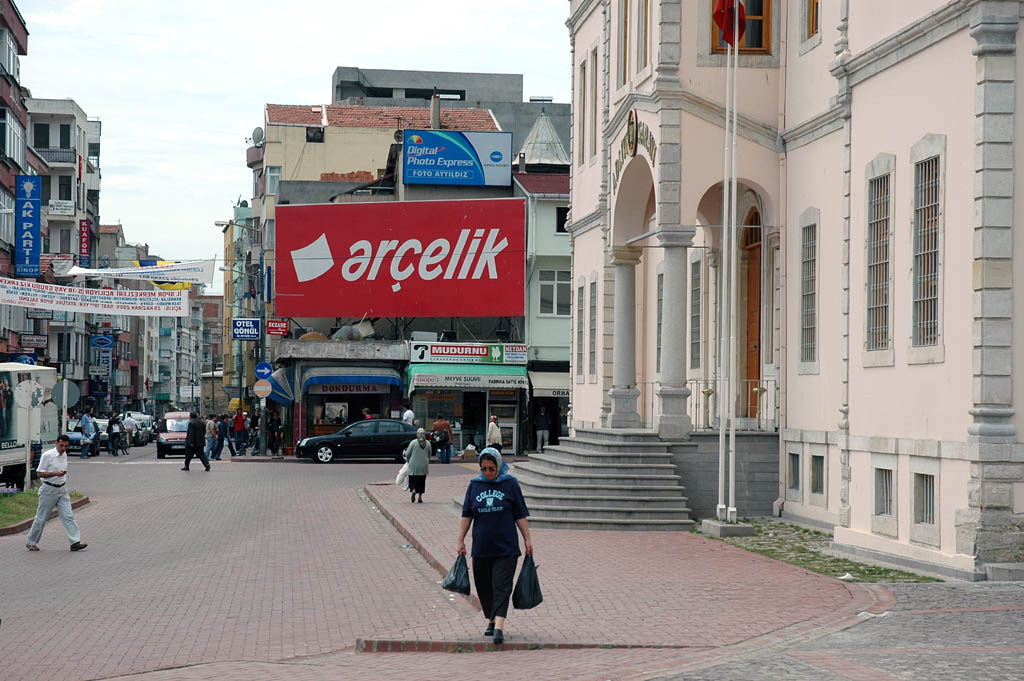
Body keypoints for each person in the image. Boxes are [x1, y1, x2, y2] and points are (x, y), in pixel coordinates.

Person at [456, 447, 532, 645]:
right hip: (481, 547)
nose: (488, 472)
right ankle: (490, 619)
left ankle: (499, 626)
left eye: (491, 468)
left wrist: (527, 539)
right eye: (484, 469)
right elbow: (467, 514)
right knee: (484, 586)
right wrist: (460, 540)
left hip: (506, 547)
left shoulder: (510, 484)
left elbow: (520, 514)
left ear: (499, 466)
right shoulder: (475, 485)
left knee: (501, 586)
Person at [26, 434, 87, 552]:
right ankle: (31, 542)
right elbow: (39, 473)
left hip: (62, 489)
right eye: (61, 445)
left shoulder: (64, 455)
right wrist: (55, 473)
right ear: (56, 443)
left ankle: (75, 542)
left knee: (68, 516)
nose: (63, 448)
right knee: (41, 518)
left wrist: (61, 476)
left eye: (66, 446)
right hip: (49, 489)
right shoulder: (48, 455)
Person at [403, 427, 431, 503]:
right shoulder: (428, 443)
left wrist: (408, 461)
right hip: (424, 465)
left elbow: (408, 453)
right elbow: (429, 454)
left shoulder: (413, 442)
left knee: (413, 479)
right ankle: (420, 497)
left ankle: (414, 490)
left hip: (414, 465)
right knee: (422, 481)